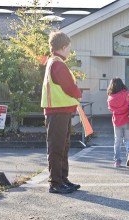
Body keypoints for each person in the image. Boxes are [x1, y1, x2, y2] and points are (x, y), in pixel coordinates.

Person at [41, 31, 82, 194]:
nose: (69, 51)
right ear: (63, 47)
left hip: (60, 111)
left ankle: (62, 179)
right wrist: (78, 92)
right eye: (69, 48)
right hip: (58, 112)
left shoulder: (54, 62)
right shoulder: (58, 64)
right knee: (57, 148)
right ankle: (56, 182)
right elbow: (69, 87)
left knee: (62, 147)